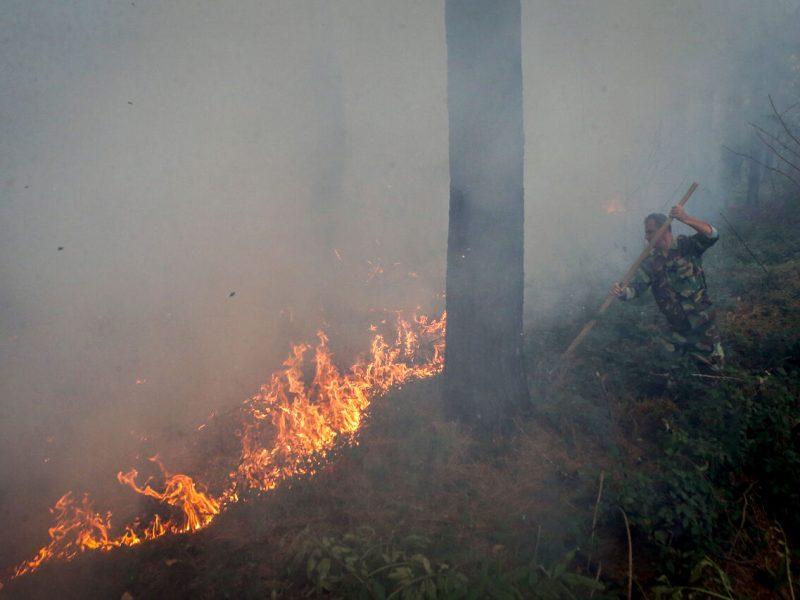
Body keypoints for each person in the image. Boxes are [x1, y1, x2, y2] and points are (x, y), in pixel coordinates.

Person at [611, 205, 724, 370]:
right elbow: (635, 289)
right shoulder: (650, 262)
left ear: (664, 230)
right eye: (646, 233)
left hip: (702, 326)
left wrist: (685, 218)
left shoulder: (686, 246)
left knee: (712, 372)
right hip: (676, 330)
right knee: (665, 372)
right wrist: (621, 292)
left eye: (650, 232)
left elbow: (712, 234)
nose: (646, 237)